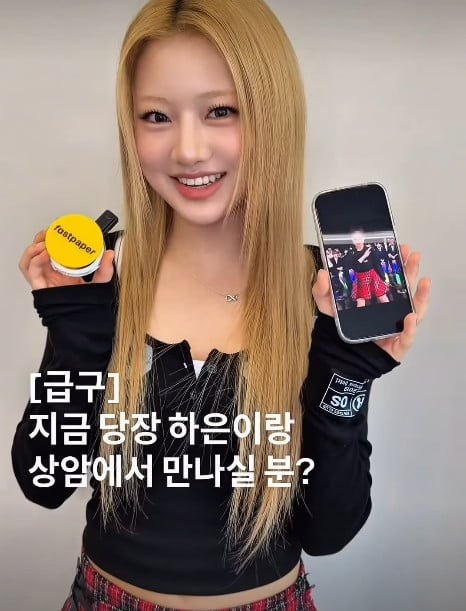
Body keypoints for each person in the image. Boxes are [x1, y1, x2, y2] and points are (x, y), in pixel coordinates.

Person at [12, 1, 431, 609]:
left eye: (221, 111)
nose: (188, 150)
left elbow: (328, 531)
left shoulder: (328, 290)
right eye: (156, 116)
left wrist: (345, 374)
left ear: (273, 115)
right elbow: (45, 480)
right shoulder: (102, 274)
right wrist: (76, 332)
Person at [349, 231, 391, 307]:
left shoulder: (370, 250)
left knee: (382, 297)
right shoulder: (351, 253)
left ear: (363, 239)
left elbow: (377, 265)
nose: (358, 241)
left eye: (359, 238)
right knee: (361, 301)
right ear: (353, 241)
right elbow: (355, 268)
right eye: (355, 239)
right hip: (360, 278)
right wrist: (364, 256)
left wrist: (383, 278)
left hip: (372, 275)